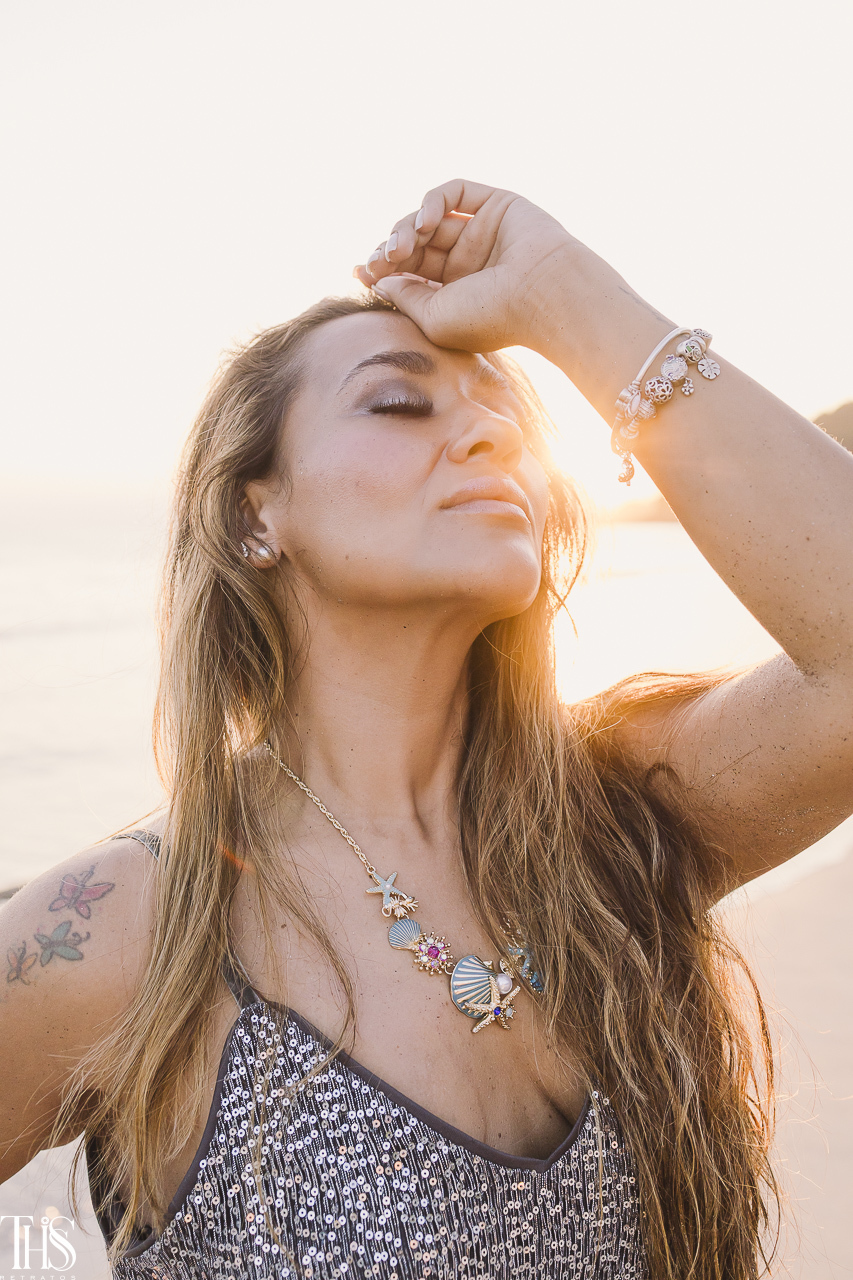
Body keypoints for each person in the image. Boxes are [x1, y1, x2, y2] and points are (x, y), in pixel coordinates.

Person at [1, 179, 851, 1280]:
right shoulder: (132, 927)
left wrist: (561, 293)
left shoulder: (624, 814)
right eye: (402, 404)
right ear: (258, 511)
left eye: (503, 412)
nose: (488, 436)